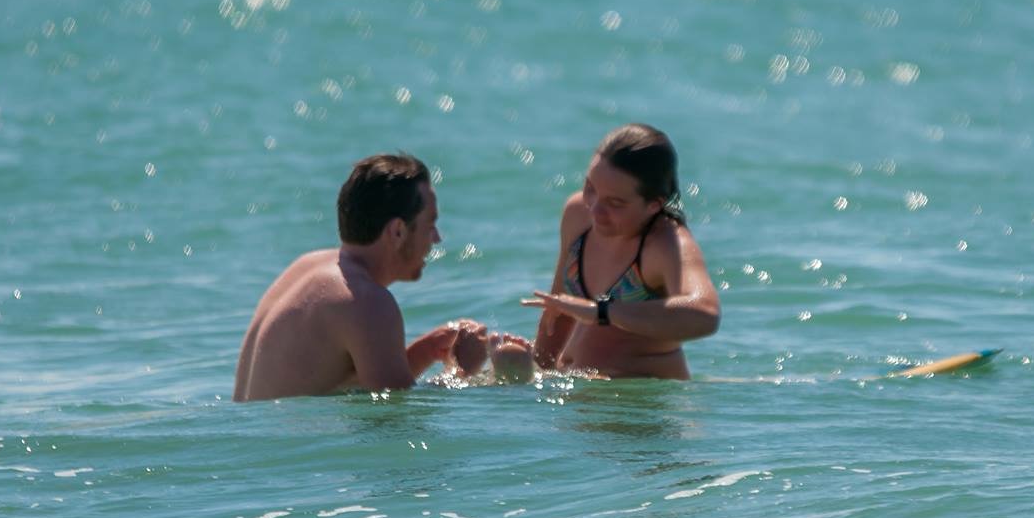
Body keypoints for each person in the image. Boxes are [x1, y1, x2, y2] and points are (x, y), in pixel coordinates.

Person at [235, 153, 532, 401]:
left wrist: (426, 350)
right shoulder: (367, 303)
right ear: (398, 232)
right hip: (290, 466)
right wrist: (465, 371)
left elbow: (364, 387)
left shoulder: (308, 267)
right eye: (430, 225)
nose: (437, 238)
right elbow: (395, 419)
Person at [523, 124, 721, 380]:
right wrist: (533, 379)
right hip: (580, 400)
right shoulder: (578, 214)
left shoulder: (665, 245)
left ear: (654, 204)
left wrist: (602, 312)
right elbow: (558, 312)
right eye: (590, 188)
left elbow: (705, 314)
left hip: (641, 411)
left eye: (615, 203)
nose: (594, 210)